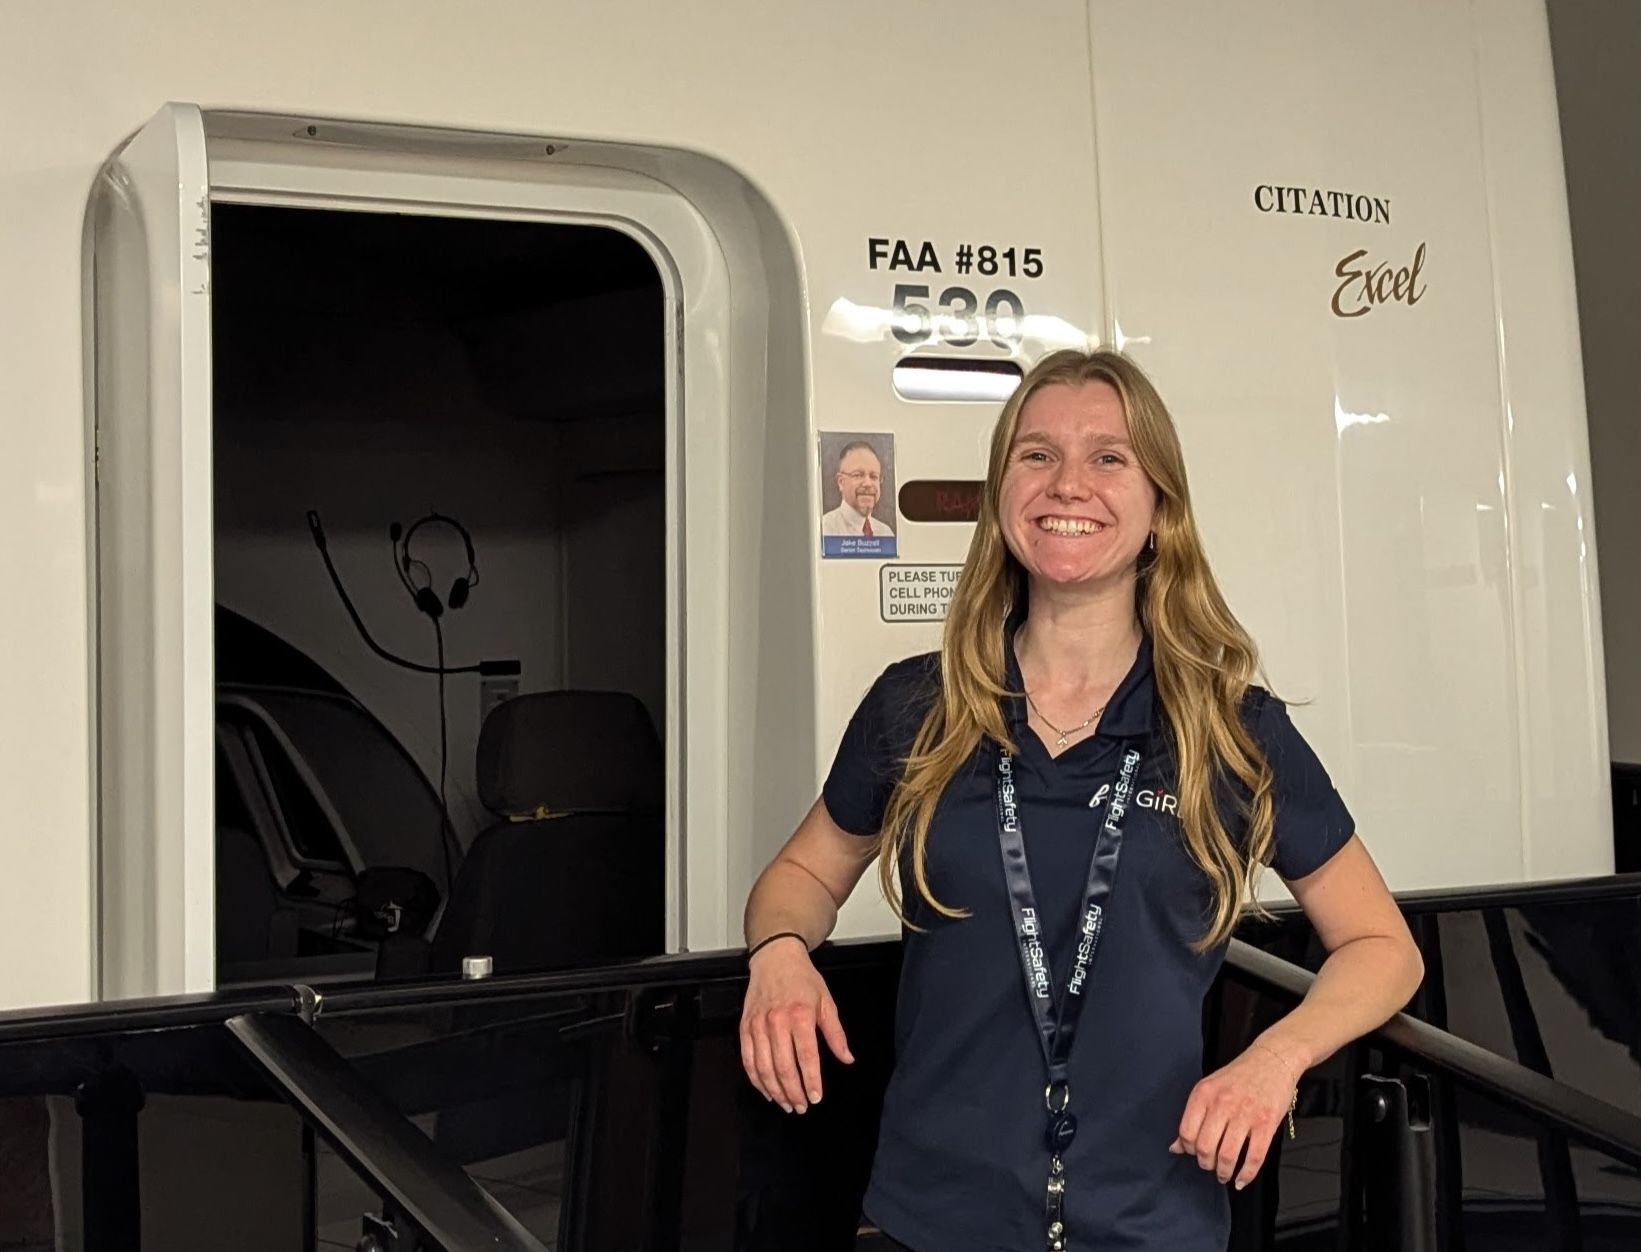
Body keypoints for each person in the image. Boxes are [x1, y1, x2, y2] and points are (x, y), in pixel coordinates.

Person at [740, 349, 1424, 1252]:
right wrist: (781, 949)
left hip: (1150, 1221)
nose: (1069, 483)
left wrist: (1273, 1062)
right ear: (1001, 497)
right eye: (1035, 455)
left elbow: (1383, 950)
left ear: (1158, 511)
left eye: (1108, 457)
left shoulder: (1232, 729)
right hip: (928, 1218)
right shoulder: (916, 706)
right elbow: (800, 873)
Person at [821, 440, 896, 537]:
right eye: (858, 475)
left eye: (874, 476)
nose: (868, 484)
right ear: (841, 482)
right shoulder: (825, 529)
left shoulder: (886, 533)